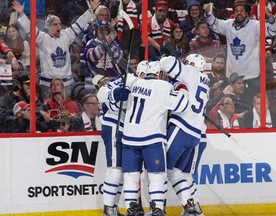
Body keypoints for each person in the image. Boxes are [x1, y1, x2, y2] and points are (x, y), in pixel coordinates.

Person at [120, 60, 188, 216]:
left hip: (129, 137)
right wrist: (181, 88)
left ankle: (131, 208)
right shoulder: (163, 86)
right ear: (160, 74)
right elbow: (182, 105)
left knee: (131, 175)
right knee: (156, 175)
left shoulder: (133, 82)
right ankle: (157, 208)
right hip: (152, 138)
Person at [12, 0, 101, 99]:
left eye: (59, 24)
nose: (58, 26)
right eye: (55, 24)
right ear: (48, 26)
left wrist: (90, 11)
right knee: (50, 110)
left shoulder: (66, 35)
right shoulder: (43, 38)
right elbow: (30, 29)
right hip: (48, 84)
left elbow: (79, 24)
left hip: (66, 83)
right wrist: (22, 14)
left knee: (66, 110)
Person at [159, 54, 209, 215]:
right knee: (178, 172)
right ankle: (194, 209)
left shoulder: (191, 73)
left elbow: (166, 63)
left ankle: (164, 208)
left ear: (193, 64)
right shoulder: (205, 82)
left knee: (162, 168)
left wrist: (168, 55)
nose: (185, 64)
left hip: (182, 127)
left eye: (187, 63)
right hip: (195, 134)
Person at [203, 0, 276, 96]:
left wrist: (269, 15)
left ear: (247, 13)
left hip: (251, 76)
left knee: (252, 104)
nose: (239, 13)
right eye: (237, 11)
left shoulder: (255, 25)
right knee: (229, 103)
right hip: (232, 75)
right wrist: (208, 12)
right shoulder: (228, 25)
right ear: (234, 13)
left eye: (242, 11)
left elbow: (273, 31)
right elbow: (214, 24)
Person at [97, 76, 130, 216]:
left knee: (121, 172)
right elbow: (101, 93)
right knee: (115, 169)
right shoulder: (125, 79)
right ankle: (108, 209)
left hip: (124, 129)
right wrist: (114, 93)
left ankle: (113, 208)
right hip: (113, 127)